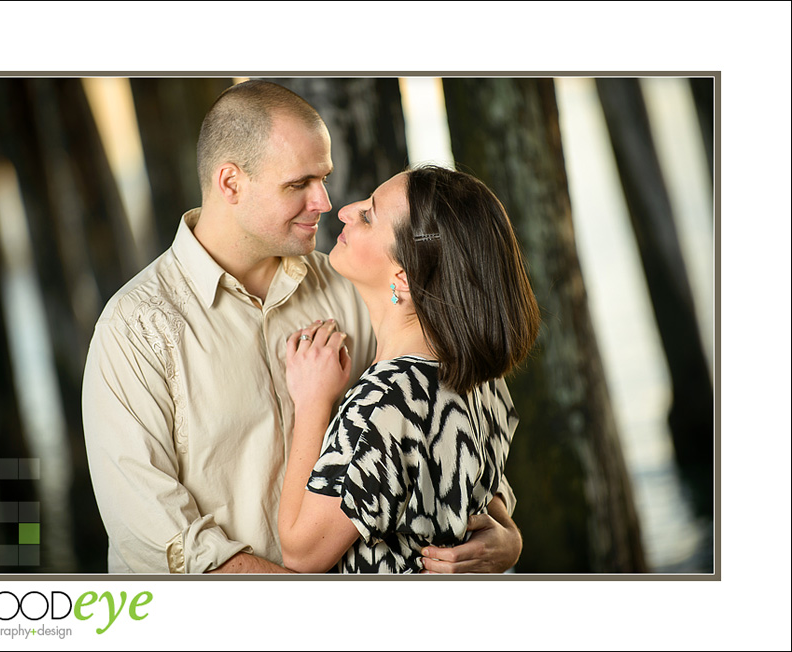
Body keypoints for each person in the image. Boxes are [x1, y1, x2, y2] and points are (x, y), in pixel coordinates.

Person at [82, 80, 523, 573]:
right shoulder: (135, 331)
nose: (326, 202)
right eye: (299, 184)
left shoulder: (353, 283)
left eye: (324, 177)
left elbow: (459, 397)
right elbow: (162, 542)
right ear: (231, 183)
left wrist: (504, 533)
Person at [279, 165, 540, 573]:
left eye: (368, 215)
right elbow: (484, 492)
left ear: (401, 277)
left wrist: (312, 403)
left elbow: (300, 553)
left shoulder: (385, 403)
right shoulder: (481, 378)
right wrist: (510, 536)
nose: (345, 210)